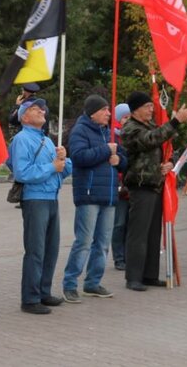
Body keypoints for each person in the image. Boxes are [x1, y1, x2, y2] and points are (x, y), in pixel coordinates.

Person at [120, 91, 187, 291]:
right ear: (135, 109)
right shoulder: (130, 128)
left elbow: (163, 147)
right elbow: (150, 140)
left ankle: (149, 275)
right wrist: (175, 121)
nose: (151, 109)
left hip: (156, 184)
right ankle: (133, 277)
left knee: (153, 233)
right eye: (146, 106)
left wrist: (168, 163)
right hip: (141, 185)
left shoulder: (151, 125)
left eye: (150, 106)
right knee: (138, 233)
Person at [8, 97, 71, 314]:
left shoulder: (46, 139)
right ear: (24, 116)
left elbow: (63, 170)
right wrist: (52, 167)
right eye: (35, 109)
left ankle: (43, 291)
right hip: (35, 199)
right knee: (36, 250)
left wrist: (65, 159)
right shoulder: (22, 139)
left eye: (42, 108)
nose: (42, 111)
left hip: (51, 197)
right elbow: (22, 173)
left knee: (51, 249)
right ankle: (30, 298)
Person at [61, 95, 126, 302]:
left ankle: (92, 283)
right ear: (93, 112)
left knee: (103, 243)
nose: (109, 113)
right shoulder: (80, 131)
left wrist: (119, 160)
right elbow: (79, 157)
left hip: (108, 195)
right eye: (105, 109)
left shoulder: (109, 133)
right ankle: (70, 284)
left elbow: (123, 160)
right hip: (88, 194)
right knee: (84, 241)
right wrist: (106, 150)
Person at [110, 103, 132, 271]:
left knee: (131, 224)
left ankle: (130, 255)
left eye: (130, 117)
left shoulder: (133, 135)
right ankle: (119, 257)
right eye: (125, 117)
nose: (128, 120)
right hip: (119, 187)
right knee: (119, 223)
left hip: (133, 186)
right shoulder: (113, 138)